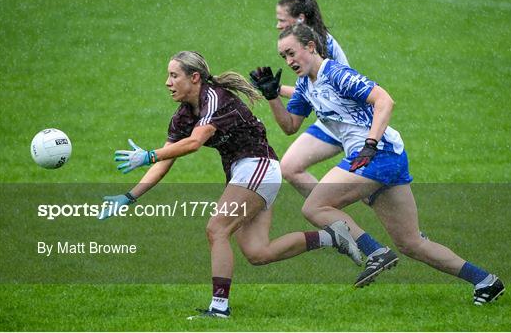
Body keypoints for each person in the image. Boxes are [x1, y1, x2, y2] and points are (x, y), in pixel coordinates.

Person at [251, 24, 505, 305]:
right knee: (411, 243)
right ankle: (485, 281)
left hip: (377, 153)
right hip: (384, 157)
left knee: (315, 207)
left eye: (291, 53)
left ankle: (375, 252)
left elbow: (384, 100)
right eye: (283, 57)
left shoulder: (336, 74)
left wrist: (370, 144)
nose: (288, 61)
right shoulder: (304, 86)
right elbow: (289, 126)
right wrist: (272, 96)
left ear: (310, 47)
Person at [99, 51, 363, 319]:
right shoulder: (183, 115)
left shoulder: (214, 99)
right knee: (259, 253)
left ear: (194, 77)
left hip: (257, 167)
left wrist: (148, 155)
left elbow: (193, 143)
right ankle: (333, 237)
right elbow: (166, 161)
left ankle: (219, 309)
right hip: (250, 173)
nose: (167, 82)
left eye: (173, 75)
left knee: (217, 229)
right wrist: (130, 196)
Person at [274, 0, 348, 197]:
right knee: (289, 168)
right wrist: (273, 91)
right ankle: (336, 220)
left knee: (370, 192)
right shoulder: (304, 44)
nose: (278, 25)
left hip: (349, 123)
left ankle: (333, 215)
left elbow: (312, 94)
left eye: (281, 20)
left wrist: (276, 91)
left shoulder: (319, 49)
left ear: (300, 19)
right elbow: (308, 94)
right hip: (330, 121)